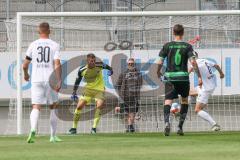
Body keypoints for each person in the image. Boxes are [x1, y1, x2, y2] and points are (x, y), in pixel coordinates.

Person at [157, 24, 202, 136]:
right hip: (183, 78)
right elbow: (193, 62)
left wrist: (158, 72)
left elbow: (160, 62)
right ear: (183, 33)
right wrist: (199, 76)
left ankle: (167, 123)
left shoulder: (167, 45)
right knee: (185, 100)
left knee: (168, 100)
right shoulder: (187, 46)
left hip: (170, 77)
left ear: (173, 32)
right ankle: (180, 127)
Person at [23, 22, 62, 143]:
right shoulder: (55, 45)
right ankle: (52, 136)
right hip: (50, 79)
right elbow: (57, 63)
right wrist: (59, 79)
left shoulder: (33, 44)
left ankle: (33, 130)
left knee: (36, 106)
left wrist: (26, 74)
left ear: (39, 32)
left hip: (36, 79)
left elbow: (25, 65)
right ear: (49, 31)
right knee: (53, 106)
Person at [68, 53, 113, 134]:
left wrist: (111, 71)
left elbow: (109, 68)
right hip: (88, 90)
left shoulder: (100, 65)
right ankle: (73, 128)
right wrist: (74, 92)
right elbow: (77, 81)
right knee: (79, 107)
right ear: (87, 61)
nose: (93, 62)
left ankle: (94, 128)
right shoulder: (82, 70)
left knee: (99, 106)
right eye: (91, 61)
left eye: (94, 61)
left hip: (99, 90)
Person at [189, 52, 224, 131]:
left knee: (197, 110)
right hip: (211, 85)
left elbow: (188, 71)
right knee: (190, 92)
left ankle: (214, 124)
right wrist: (221, 74)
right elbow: (217, 66)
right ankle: (183, 110)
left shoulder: (193, 63)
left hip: (206, 88)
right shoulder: (205, 60)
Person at [115, 58, 142, 132]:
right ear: (127, 64)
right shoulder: (123, 73)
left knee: (132, 112)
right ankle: (129, 126)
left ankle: (130, 126)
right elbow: (118, 85)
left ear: (134, 64)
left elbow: (140, 84)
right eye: (129, 63)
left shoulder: (138, 73)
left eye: (132, 63)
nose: (131, 65)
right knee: (125, 112)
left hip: (134, 97)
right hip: (124, 96)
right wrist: (121, 94)